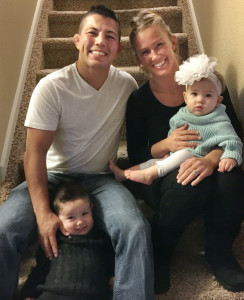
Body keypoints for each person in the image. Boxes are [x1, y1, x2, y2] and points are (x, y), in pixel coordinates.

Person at [0, 6, 154, 300]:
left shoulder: (127, 85)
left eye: (110, 36)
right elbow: (33, 153)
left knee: (134, 228)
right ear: (76, 40)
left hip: (101, 179)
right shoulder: (51, 87)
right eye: (92, 33)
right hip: (53, 177)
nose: (100, 41)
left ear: (118, 47)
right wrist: (43, 213)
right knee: (4, 228)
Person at [124, 9, 244, 294]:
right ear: (138, 59)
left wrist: (213, 158)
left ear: (173, 42)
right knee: (188, 183)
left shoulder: (206, 81)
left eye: (159, 45)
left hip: (209, 164)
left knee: (232, 176)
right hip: (165, 173)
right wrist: (165, 145)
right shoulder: (139, 101)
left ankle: (220, 250)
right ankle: (161, 250)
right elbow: (136, 154)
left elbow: (234, 134)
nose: (155, 55)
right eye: (145, 52)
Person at [109, 54, 243, 185]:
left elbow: (232, 140)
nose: (200, 100)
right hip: (175, 155)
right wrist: (168, 150)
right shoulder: (182, 114)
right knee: (154, 162)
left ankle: (150, 174)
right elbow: (172, 132)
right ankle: (124, 174)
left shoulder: (219, 119)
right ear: (185, 97)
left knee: (183, 154)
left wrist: (230, 156)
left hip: (197, 156)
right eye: (194, 94)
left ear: (218, 101)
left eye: (208, 96)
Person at [20, 183, 115, 300]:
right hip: (53, 294)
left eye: (84, 213)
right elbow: (39, 270)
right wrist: (28, 294)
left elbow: (112, 261)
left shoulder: (101, 239)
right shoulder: (54, 241)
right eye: (71, 218)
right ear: (57, 218)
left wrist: (113, 276)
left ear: (91, 209)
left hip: (91, 294)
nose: (80, 222)